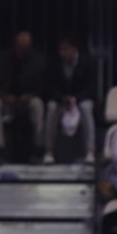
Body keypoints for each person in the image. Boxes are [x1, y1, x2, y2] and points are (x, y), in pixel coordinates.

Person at [0, 30, 48, 164]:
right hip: (6, 99)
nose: (23, 51)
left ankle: (38, 147)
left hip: (28, 99)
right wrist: (4, 96)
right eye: (21, 47)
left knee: (38, 104)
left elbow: (43, 86)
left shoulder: (38, 61)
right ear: (15, 45)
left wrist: (30, 95)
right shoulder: (3, 59)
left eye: (26, 48)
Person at [44, 33, 97, 165]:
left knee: (86, 108)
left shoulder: (87, 62)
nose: (62, 53)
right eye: (61, 50)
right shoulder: (55, 62)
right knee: (51, 107)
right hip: (62, 100)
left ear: (74, 49)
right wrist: (62, 98)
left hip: (81, 99)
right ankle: (48, 152)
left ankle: (90, 151)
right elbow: (50, 86)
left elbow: (91, 87)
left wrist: (76, 99)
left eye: (66, 49)